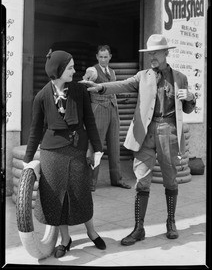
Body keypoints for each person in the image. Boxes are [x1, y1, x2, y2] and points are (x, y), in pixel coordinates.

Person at [80, 34, 196, 245]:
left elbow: (188, 108)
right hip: (144, 134)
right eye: (149, 53)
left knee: (170, 179)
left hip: (169, 131)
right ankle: (138, 228)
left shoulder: (180, 77)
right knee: (141, 180)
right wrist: (102, 88)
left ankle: (171, 222)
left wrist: (190, 98)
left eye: (155, 53)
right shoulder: (142, 76)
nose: (152, 56)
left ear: (166, 53)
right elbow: (122, 85)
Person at [23, 49, 106, 258]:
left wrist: (97, 148)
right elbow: (35, 131)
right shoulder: (41, 96)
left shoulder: (79, 91)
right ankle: (65, 239)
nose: (74, 70)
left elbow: (90, 120)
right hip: (52, 152)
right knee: (56, 198)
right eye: (70, 68)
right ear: (58, 70)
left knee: (81, 193)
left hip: (77, 148)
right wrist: (27, 161)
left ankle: (91, 231)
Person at [83, 45, 131, 191]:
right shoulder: (93, 70)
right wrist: (87, 77)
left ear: (110, 57)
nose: (103, 59)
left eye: (106, 57)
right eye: (100, 57)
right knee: (96, 147)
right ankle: (91, 182)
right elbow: (86, 79)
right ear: (97, 57)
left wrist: (120, 97)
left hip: (113, 110)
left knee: (114, 146)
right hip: (98, 110)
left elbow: (112, 89)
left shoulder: (112, 72)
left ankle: (117, 179)